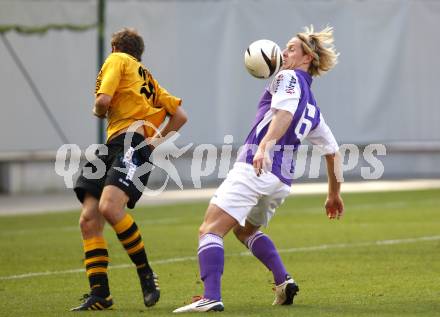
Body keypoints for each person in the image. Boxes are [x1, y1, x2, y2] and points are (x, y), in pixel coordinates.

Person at [173, 25, 344, 313]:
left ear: (307, 58)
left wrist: (264, 145)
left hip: (257, 167)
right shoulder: (313, 107)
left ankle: (210, 295)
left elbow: (285, 114)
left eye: (291, 48)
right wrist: (334, 194)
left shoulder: (288, 78)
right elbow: (333, 153)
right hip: (280, 181)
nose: (284, 51)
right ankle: (283, 281)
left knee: (210, 229)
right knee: (244, 229)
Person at [71, 28, 187, 311]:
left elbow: (102, 102)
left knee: (108, 209)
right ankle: (100, 293)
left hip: (129, 143)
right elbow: (180, 115)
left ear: (115, 48)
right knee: (89, 217)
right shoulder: (146, 76)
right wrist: (154, 143)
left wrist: (99, 110)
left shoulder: (116, 60)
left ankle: (146, 273)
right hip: (115, 145)